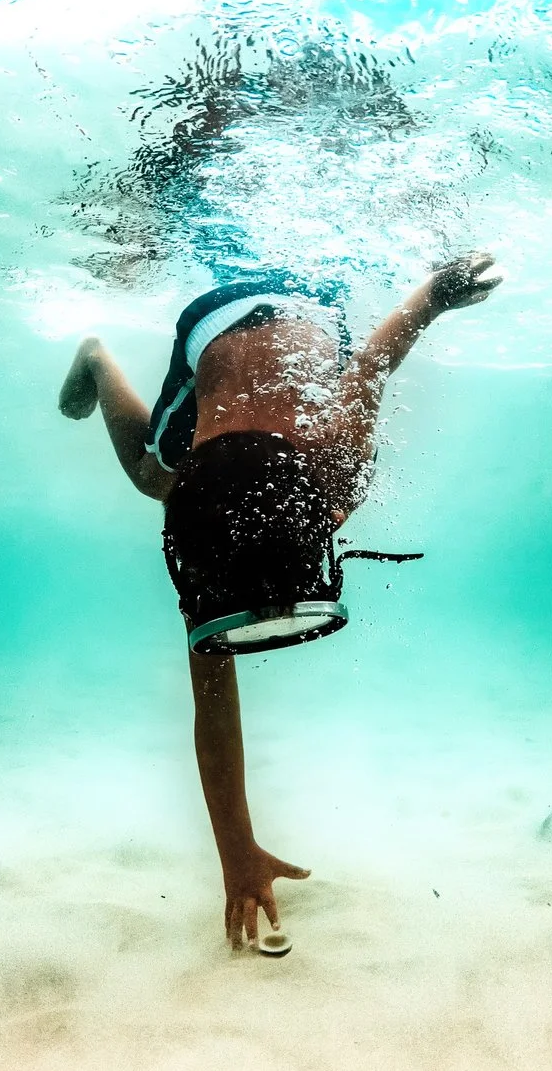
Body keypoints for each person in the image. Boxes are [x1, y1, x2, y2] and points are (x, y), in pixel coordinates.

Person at [57, 252, 504, 951]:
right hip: (225, 325)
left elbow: (384, 350)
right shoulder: (316, 482)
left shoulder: (333, 479)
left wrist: (434, 295)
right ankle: (95, 356)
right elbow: (382, 354)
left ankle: (94, 355)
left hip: (288, 308)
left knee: (158, 473)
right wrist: (237, 850)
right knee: (153, 475)